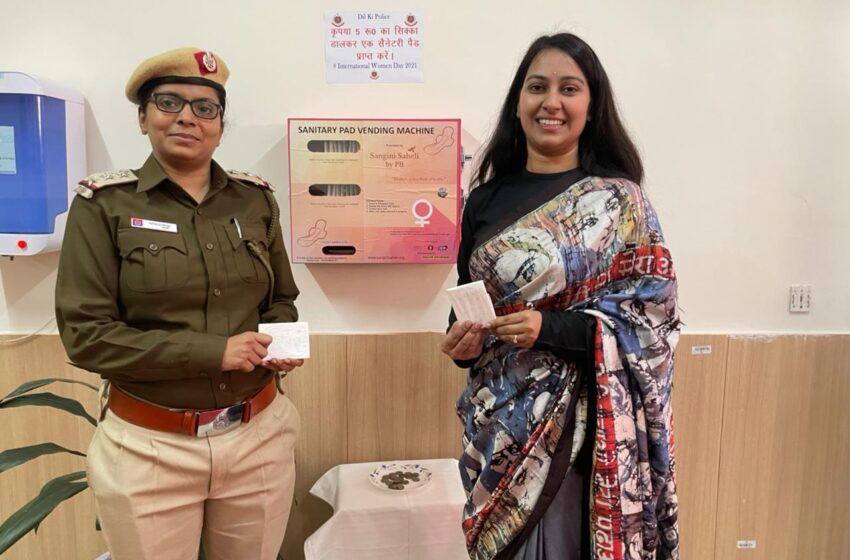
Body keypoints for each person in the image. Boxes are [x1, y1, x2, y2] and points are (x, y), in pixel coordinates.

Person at [55, 47, 302, 560]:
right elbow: (86, 336)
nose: (188, 116)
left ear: (219, 124)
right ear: (143, 117)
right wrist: (214, 352)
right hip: (149, 447)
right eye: (169, 102)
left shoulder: (254, 200)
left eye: (205, 107)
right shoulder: (104, 205)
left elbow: (280, 298)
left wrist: (280, 340)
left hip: (257, 436)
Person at [441, 33, 680, 560]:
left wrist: (547, 329)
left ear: (591, 107)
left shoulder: (620, 202)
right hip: (496, 429)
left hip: (577, 432)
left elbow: (652, 319)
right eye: (537, 87)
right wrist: (464, 344)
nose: (551, 101)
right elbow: (468, 302)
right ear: (518, 103)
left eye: (569, 88)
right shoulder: (484, 199)